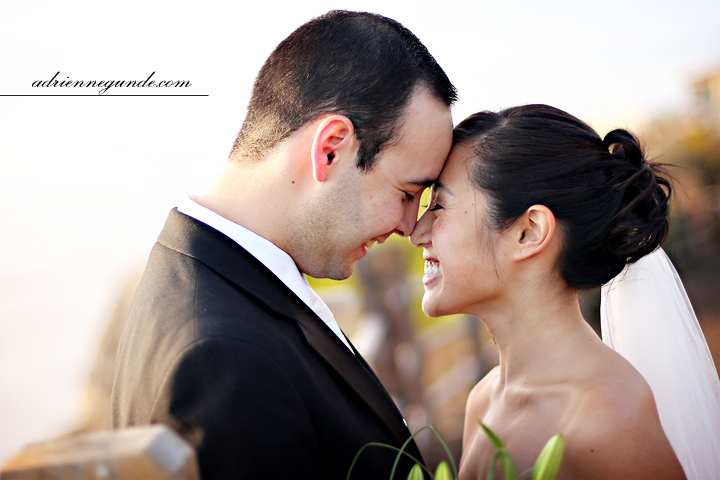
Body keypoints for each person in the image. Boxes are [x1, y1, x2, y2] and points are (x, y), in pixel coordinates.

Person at [111, 10, 456, 480]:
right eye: (406, 193)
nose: (408, 225)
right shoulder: (223, 359)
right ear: (331, 148)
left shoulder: (213, 276)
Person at [410, 104, 718, 479]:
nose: (416, 232)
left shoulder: (607, 420)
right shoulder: (484, 399)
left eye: (439, 205)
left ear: (529, 231)